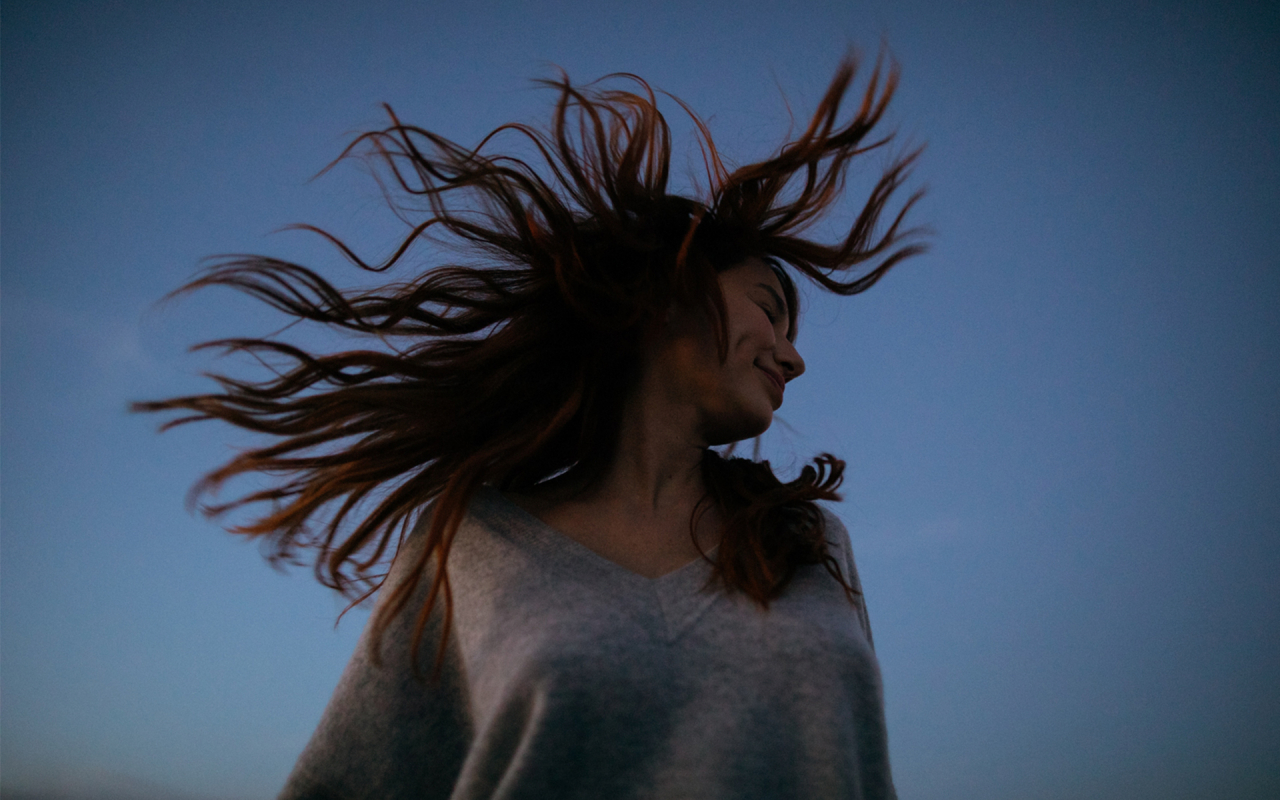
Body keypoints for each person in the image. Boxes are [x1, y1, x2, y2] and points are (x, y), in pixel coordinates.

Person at [138, 53, 925, 800]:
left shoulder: (804, 541)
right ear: (669, 292)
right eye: (769, 310)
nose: (793, 357)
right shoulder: (469, 546)